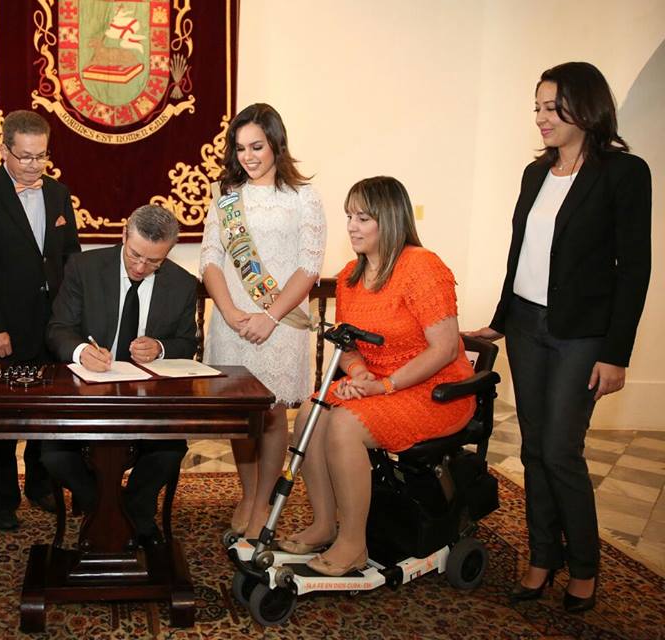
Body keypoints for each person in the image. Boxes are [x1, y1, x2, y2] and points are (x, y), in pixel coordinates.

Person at [467, 62, 651, 613]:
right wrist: (500, 320)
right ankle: (543, 556)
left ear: (586, 107)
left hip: (581, 336)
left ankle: (586, 565)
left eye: (552, 108)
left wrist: (616, 354)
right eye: (538, 109)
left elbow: (633, 269)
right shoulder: (535, 174)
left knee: (560, 450)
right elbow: (520, 252)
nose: (542, 119)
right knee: (531, 449)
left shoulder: (624, 172)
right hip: (526, 325)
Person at [278, 176, 476, 577]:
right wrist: (359, 372)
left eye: (363, 217)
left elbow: (443, 347)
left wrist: (384, 385)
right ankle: (323, 523)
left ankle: (352, 543)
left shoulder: (422, 266)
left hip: (435, 391)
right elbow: (348, 344)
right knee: (310, 416)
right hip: (378, 384)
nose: (351, 225)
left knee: (344, 426)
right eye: (349, 216)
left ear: (389, 218)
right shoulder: (352, 273)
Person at [199, 103, 326, 539]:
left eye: (257, 146)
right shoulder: (226, 197)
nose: (249, 156)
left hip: (279, 323)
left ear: (276, 144)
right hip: (233, 323)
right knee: (240, 413)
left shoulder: (303, 198)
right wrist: (231, 312)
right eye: (240, 148)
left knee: (271, 414)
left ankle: (263, 502)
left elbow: (309, 267)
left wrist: (270, 316)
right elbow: (211, 258)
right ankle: (248, 493)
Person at [0, 110, 81, 531]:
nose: (32, 165)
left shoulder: (59, 193)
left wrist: (74, 318)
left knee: (48, 410)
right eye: (23, 156)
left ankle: (41, 485)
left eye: (40, 156)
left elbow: (70, 258)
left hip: (53, 325)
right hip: (2, 325)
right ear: (3, 149)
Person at [44, 205, 197, 546]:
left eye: (154, 262)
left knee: (169, 450)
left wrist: (160, 347)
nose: (141, 267)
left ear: (168, 252)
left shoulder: (183, 284)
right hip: (87, 393)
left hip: (148, 398)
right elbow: (58, 329)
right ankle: (116, 510)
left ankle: (130, 511)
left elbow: (187, 342)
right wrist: (82, 352)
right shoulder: (84, 267)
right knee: (52, 453)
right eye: (135, 255)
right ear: (124, 235)